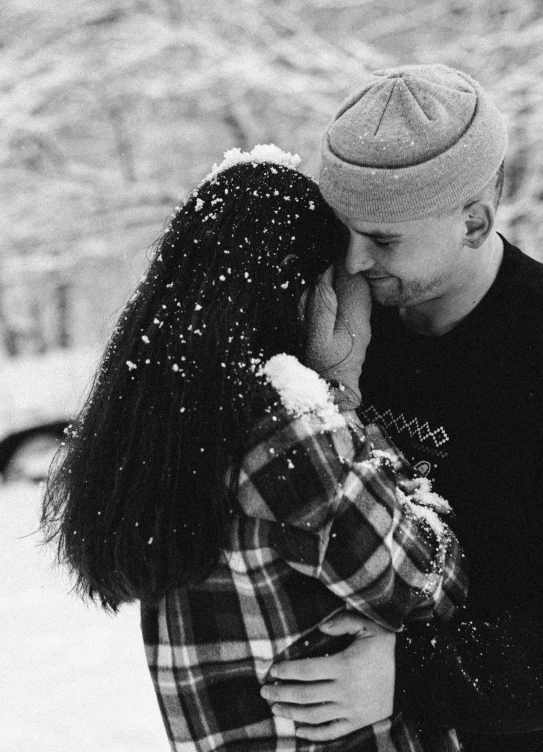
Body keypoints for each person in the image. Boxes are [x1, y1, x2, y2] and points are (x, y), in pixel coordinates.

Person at [41, 145, 466, 752]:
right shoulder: (287, 439)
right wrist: (340, 391)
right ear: (309, 294)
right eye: (345, 282)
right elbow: (435, 579)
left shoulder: (159, 430)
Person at [265, 65, 543, 752]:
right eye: (345, 231)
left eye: (383, 238)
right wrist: (332, 386)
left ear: (474, 219)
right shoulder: (332, 323)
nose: (353, 261)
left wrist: (407, 673)